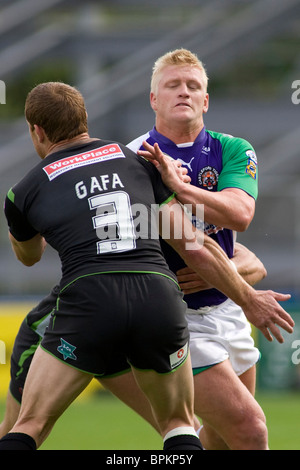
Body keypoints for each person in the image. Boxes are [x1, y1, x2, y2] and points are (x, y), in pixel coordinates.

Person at [2, 82, 292, 451]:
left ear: (36, 131)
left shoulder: (24, 191)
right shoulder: (136, 162)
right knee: (181, 425)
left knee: (30, 425)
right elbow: (195, 245)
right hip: (157, 300)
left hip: (89, 301)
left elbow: (29, 257)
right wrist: (250, 299)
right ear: (84, 120)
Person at [127, 48, 288, 450]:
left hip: (228, 310)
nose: (184, 91)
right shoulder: (131, 159)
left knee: (218, 438)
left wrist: (181, 188)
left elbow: (240, 215)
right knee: (251, 430)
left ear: (206, 100)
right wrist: (246, 276)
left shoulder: (232, 148)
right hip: (174, 317)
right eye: (172, 85)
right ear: (154, 99)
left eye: (193, 85)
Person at [0, 241, 263, 441]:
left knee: (187, 432)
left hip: (139, 328)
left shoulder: (175, 219)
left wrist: (221, 271)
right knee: (20, 430)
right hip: (71, 325)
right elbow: (30, 251)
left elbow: (253, 264)